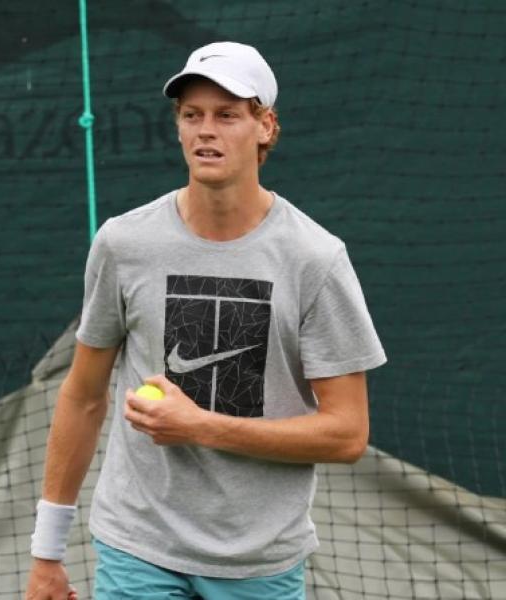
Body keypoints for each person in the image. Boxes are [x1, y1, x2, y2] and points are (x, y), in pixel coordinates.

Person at [25, 42, 386, 600]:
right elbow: (83, 396)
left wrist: (200, 427)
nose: (205, 131)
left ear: (265, 126)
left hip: (260, 563)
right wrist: (47, 553)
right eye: (191, 115)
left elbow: (346, 434)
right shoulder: (124, 243)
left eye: (227, 115)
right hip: (137, 547)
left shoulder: (316, 258)